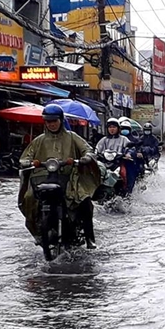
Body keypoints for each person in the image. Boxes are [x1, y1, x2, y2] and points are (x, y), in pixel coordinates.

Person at [19, 105, 101, 249]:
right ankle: (38, 231)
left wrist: (86, 158)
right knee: (29, 198)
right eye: (48, 121)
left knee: (84, 200)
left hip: (70, 177)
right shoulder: (39, 140)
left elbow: (87, 149)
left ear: (61, 120)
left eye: (54, 121)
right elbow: (26, 157)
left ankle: (89, 237)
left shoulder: (72, 137)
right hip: (43, 177)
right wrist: (28, 162)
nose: (51, 124)